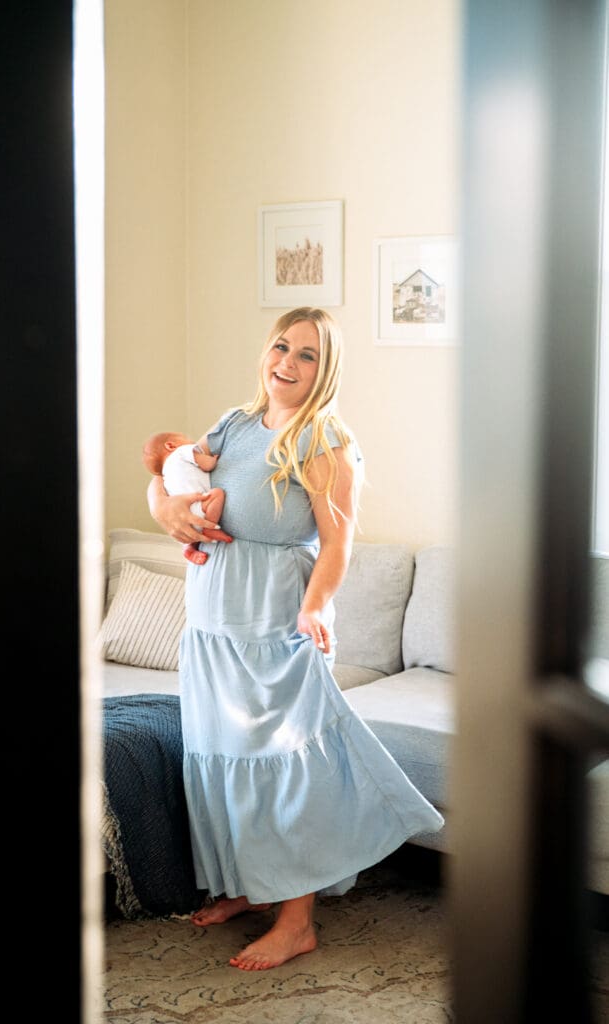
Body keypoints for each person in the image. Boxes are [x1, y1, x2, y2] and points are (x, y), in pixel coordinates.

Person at [147, 306, 444, 972]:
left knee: (283, 770)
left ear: (324, 368)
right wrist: (165, 509)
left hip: (275, 620)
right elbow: (170, 475)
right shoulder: (235, 425)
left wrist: (314, 610)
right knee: (220, 759)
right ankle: (254, 888)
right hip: (213, 620)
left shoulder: (323, 439)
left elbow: (337, 543)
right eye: (281, 346)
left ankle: (296, 920)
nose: (287, 362)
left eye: (306, 354)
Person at [141, 430, 232, 565]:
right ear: (171, 446)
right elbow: (207, 465)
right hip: (200, 508)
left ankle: (189, 548)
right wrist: (214, 459)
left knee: (191, 533)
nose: (193, 443)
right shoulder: (183, 451)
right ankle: (210, 529)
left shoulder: (166, 474)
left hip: (183, 518)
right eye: (187, 438)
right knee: (217, 493)